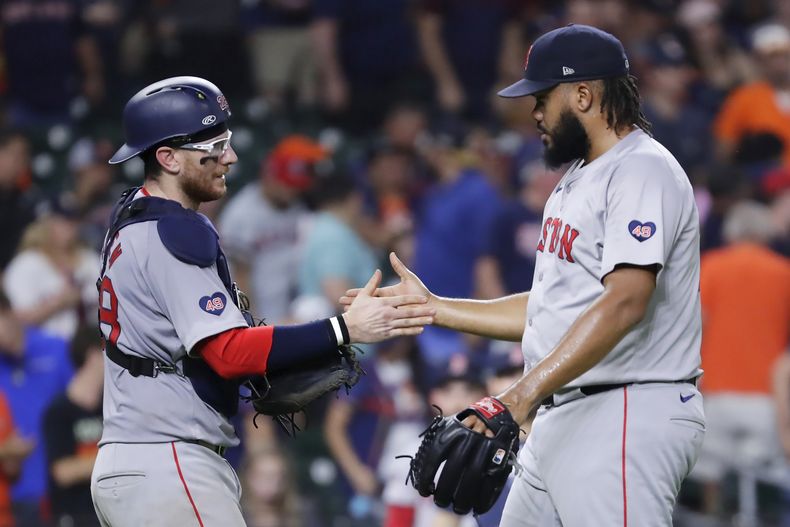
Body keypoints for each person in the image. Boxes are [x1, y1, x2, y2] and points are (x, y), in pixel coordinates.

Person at [342, 24, 705, 525]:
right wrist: (435, 309)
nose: (532, 112)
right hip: (563, 412)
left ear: (583, 94)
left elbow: (626, 301)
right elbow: (548, 310)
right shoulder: (576, 180)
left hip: (624, 408)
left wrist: (517, 397)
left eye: (542, 98)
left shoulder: (641, 170)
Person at [90, 76, 434, 527]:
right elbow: (230, 354)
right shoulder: (172, 231)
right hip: (167, 461)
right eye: (213, 145)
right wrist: (345, 328)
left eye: (227, 141)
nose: (229, 157)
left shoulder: (132, 215)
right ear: (168, 158)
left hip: (139, 459)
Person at [691, 201, 790, 518]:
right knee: (759, 479)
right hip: (766, 399)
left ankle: (713, 515)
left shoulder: (712, 266)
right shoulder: (783, 273)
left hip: (717, 391)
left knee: (710, 475)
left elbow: (697, 323)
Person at [219, 135, 327, 322]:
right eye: (287, 185)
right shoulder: (241, 214)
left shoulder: (299, 207)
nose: (293, 191)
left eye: (296, 186)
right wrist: (253, 323)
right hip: (259, 314)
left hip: (290, 309)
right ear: (270, 176)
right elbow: (239, 277)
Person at [0, 291, 73, 527]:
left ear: (9, 313)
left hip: (60, 489)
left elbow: (81, 408)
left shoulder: (56, 348)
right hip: (13, 497)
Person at [43, 326, 105, 527]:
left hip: (108, 514)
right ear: (93, 355)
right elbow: (62, 471)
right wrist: (116, 456)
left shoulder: (110, 407)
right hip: (75, 518)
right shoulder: (58, 411)